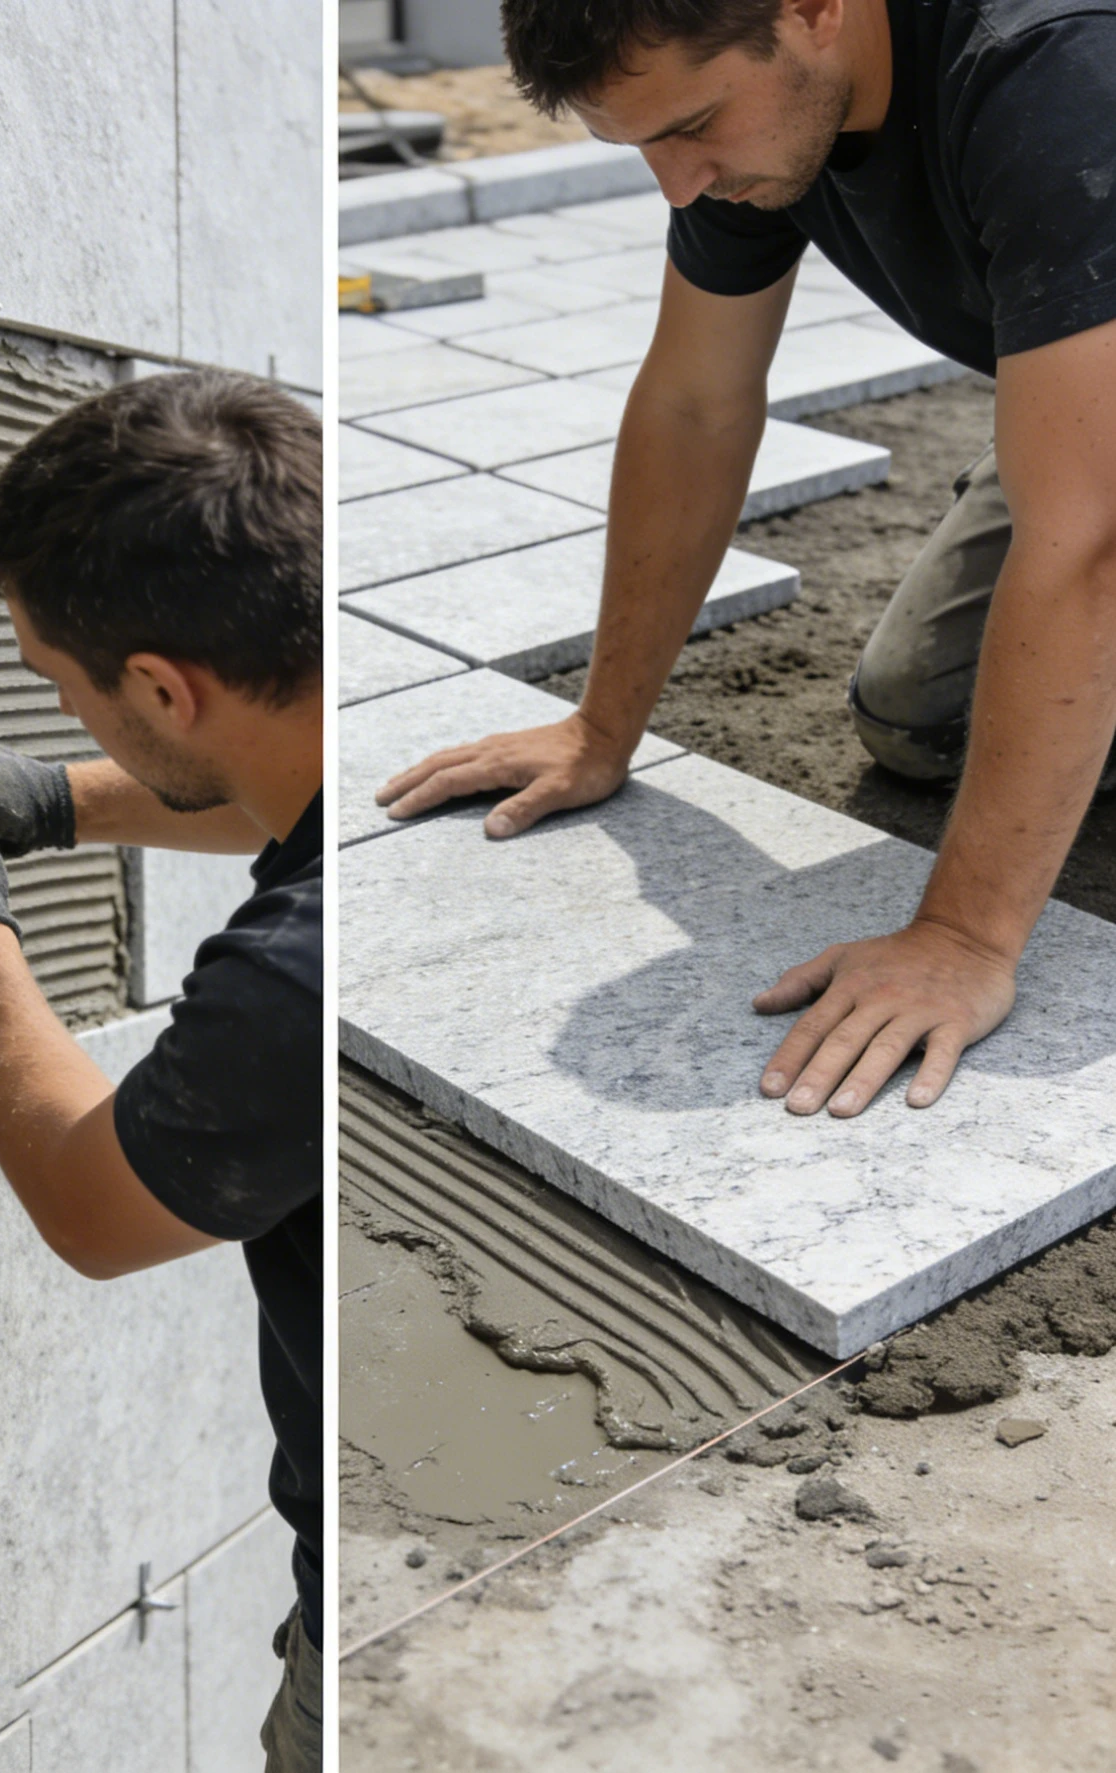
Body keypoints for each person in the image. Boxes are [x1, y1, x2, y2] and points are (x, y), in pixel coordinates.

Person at [378, 0, 1116, 1124]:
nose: (679, 186)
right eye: (644, 146)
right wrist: (601, 728)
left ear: (814, 9)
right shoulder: (762, 125)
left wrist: (964, 936)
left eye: (692, 126)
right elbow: (695, 405)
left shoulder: (1059, 81)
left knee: (1081, 541)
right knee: (922, 711)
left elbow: (1088, 546)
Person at [0, 371, 323, 1768]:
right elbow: (271, 783)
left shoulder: (292, 980)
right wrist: (59, 799)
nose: (64, 712)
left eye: (66, 692)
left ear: (164, 687)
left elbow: (92, 1205)